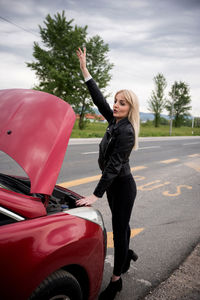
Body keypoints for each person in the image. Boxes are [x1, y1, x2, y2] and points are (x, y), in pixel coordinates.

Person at [76, 47, 140, 300]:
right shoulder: (114, 121)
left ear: (130, 108)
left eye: (122, 103)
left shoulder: (126, 131)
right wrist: (84, 69)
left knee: (118, 227)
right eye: (116, 101)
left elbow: (114, 166)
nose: (115, 105)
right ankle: (128, 253)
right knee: (122, 225)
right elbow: (98, 99)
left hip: (122, 186)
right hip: (115, 185)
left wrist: (95, 195)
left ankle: (116, 281)